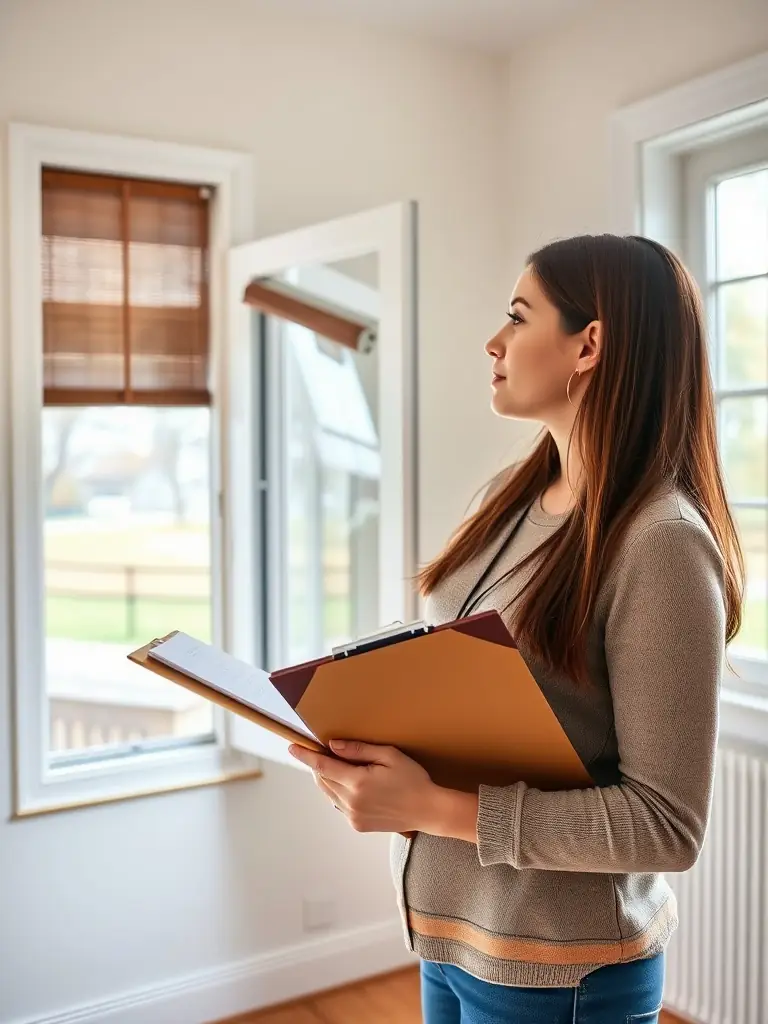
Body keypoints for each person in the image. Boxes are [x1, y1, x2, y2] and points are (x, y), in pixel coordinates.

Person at [289, 234, 743, 1023]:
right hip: (455, 935)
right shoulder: (512, 493)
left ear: (589, 344)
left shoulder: (661, 542)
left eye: (518, 316)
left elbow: (665, 826)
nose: (492, 342)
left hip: (560, 969)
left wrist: (426, 807)